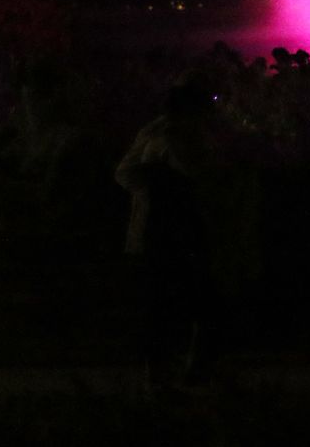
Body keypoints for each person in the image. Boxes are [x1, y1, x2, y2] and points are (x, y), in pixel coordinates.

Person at [116, 77, 217, 392]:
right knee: (182, 303)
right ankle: (176, 372)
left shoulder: (157, 133)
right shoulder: (173, 135)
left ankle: (165, 373)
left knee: (167, 306)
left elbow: (125, 172)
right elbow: (197, 171)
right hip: (172, 233)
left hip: (157, 233)